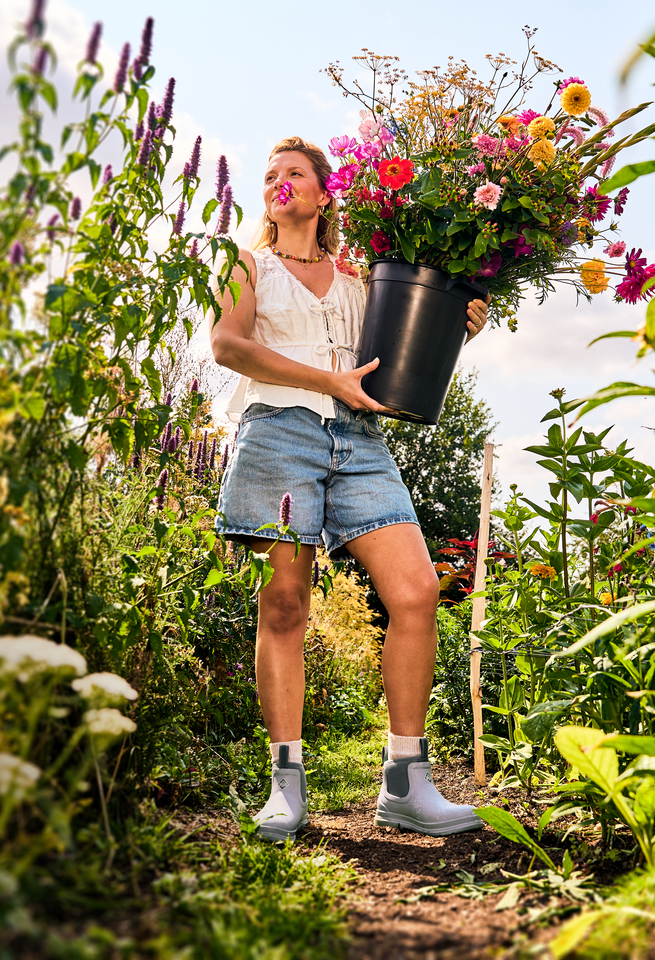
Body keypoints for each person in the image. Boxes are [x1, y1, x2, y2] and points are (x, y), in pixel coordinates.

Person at [209, 136, 490, 841]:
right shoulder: (247, 264)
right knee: (284, 606)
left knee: (417, 591)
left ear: (324, 193)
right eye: (270, 175)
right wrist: (326, 381)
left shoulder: (362, 277)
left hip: (359, 442)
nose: (280, 182)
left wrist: (461, 326)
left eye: (295, 173)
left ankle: (405, 783)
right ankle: (286, 786)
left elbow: (394, 356)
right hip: (279, 431)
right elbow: (228, 346)